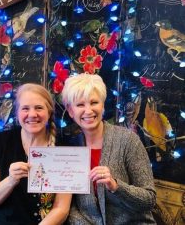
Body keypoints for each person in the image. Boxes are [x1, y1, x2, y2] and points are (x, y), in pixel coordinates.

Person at [61, 73, 156, 225]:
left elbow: (149, 200)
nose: (88, 111)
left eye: (94, 102)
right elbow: (71, 207)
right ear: (71, 111)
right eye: (80, 105)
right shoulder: (71, 148)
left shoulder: (128, 140)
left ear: (103, 105)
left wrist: (115, 186)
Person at [0, 83, 72, 225]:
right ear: (17, 113)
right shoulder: (0, 142)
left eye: (39, 108)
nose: (32, 114)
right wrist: (10, 180)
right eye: (25, 108)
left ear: (49, 112)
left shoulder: (63, 148)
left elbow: (61, 208)